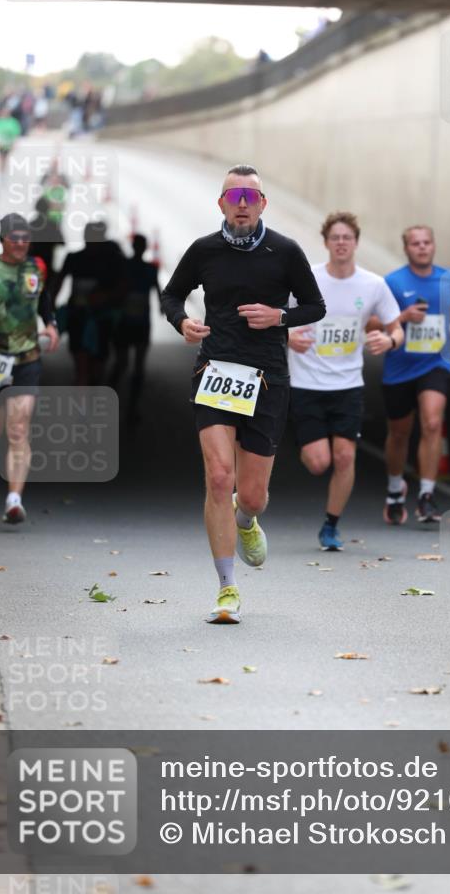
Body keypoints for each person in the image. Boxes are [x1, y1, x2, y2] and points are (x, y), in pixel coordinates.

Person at [161, 164, 325, 624]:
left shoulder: (285, 251)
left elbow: (315, 305)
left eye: (250, 197)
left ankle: (247, 517)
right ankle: (226, 588)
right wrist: (182, 322)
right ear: (221, 205)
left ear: (262, 204)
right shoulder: (204, 250)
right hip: (215, 370)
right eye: (233, 197)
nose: (241, 205)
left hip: (268, 378)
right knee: (218, 477)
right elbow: (171, 296)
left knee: (251, 495)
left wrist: (279, 318)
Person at [287, 211, 403, 550]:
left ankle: (331, 525)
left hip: (348, 386)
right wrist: (289, 337)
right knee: (318, 462)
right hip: (306, 383)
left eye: (347, 238)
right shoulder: (306, 279)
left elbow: (396, 326)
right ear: (325, 242)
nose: (341, 243)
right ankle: (307, 443)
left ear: (356, 243)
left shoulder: (372, 285)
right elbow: (278, 319)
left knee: (345, 457)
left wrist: (390, 340)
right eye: (335, 237)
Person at [0, 213, 59, 523]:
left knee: (19, 429)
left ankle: (14, 499)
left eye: (25, 238)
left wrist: (51, 325)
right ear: (3, 239)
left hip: (27, 358)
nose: (21, 243)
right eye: (14, 238)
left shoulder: (37, 268)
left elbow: (44, 298)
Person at [380, 225, 450, 523]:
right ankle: (394, 489)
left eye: (427, 242)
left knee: (431, 422)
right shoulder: (392, 282)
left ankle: (427, 495)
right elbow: (376, 322)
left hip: (435, 363)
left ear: (434, 245)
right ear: (406, 248)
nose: (422, 247)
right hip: (400, 366)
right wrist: (403, 317)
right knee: (400, 431)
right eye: (416, 243)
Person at [53, 222, 126, 385]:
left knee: (95, 366)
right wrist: (50, 304)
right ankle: (84, 393)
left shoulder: (112, 261)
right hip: (79, 318)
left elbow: (123, 287)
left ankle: (88, 390)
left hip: (101, 319)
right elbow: (58, 282)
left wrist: (106, 296)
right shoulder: (75, 258)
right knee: (83, 365)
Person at [110, 233, 163, 422]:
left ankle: (111, 401)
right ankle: (132, 407)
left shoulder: (124, 266)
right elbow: (158, 290)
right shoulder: (149, 269)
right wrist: (163, 307)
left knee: (121, 363)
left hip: (126, 322)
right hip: (140, 323)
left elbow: (115, 290)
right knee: (137, 366)